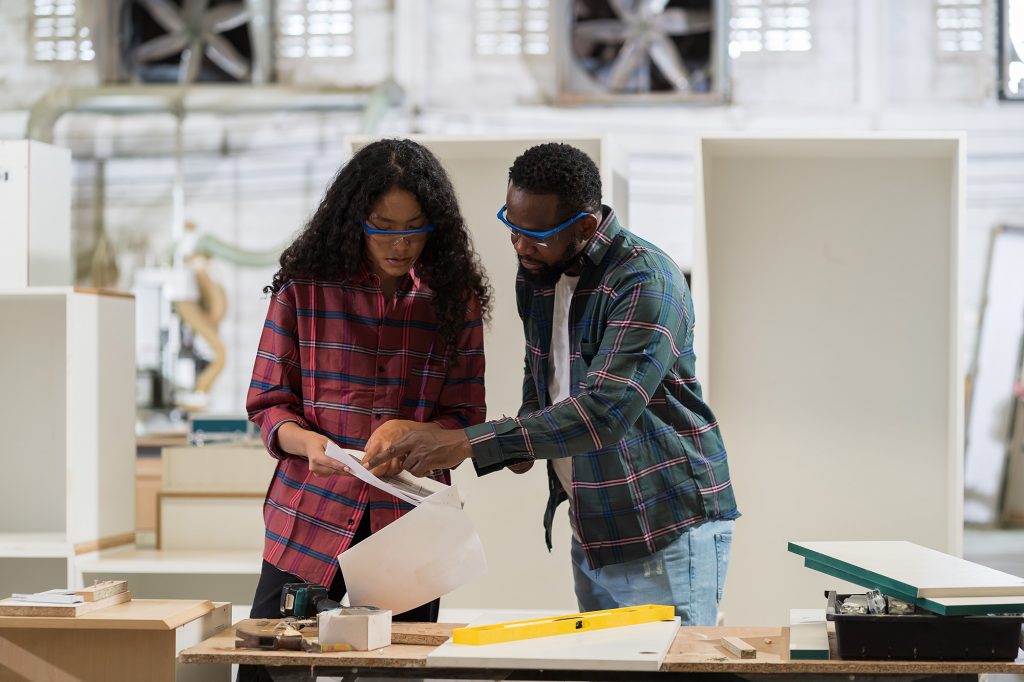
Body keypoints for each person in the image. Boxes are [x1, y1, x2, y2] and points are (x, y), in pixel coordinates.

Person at [367, 142, 739, 625]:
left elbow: (604, 413)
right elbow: (543, 369)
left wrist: (467, 443)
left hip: (663, 525)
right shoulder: (539, 273)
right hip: (594, 525)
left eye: (535, 235)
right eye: (512, 227)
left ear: (585, 226)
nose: (519, 246)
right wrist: (522, 435)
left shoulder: (647, 282)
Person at [245, 138, 491, 629]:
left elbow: (465, 417)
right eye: (383, 229)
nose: (400, 246)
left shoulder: (452, 301)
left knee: (393, 668)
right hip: (310, 518)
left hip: (409, 530)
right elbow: (268, 403)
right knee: (269, 664)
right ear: (354, 220)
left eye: (415, 231)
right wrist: (309, 443)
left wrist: (414, 433)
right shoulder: (304, 289)